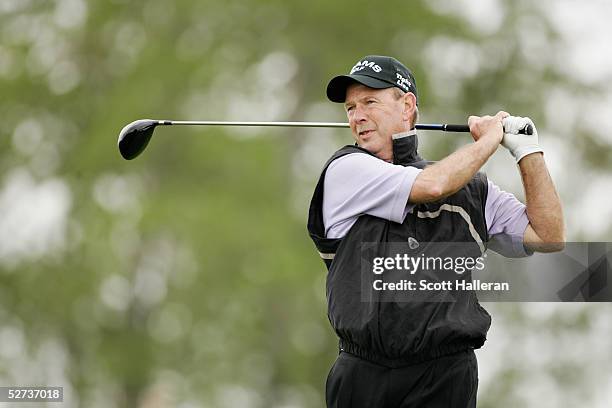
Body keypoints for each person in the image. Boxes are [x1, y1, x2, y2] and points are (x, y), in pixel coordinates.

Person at [307, 55, 564, 408]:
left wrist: (527, 151)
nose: (357, 116)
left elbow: (549, 236)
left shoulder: (475, 191)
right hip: (363, 373)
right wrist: (490, 139)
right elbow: (433, 184)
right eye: (351, 107)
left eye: (370, 102)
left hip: (446, 376)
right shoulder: (346, 171)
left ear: (407, 106)